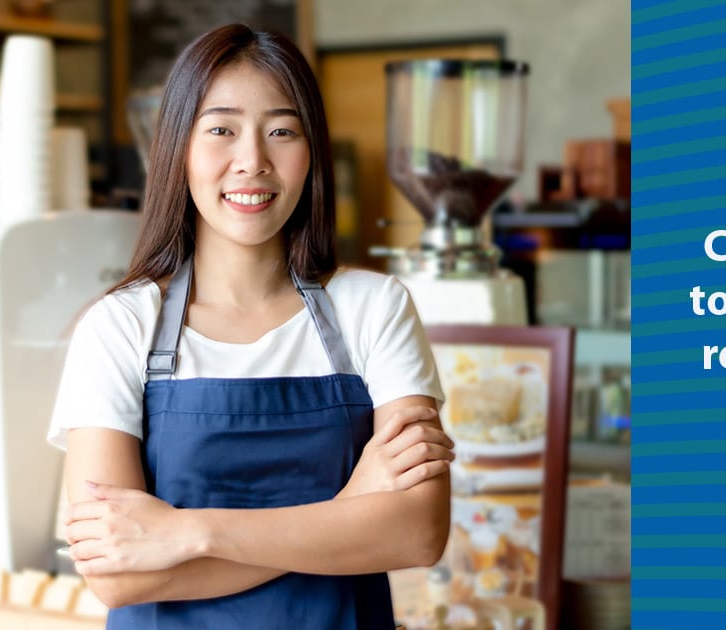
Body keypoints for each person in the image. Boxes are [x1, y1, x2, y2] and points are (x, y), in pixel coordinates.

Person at [46, 23, 454, 629]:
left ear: (311, 150)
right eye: (221, 130)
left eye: (282, 131)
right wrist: (349, 510)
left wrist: (186, 532)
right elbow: (119, 576)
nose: (252, 161)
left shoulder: (375, 308)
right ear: (178, 148)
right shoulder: (120, 325)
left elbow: (418, 532)